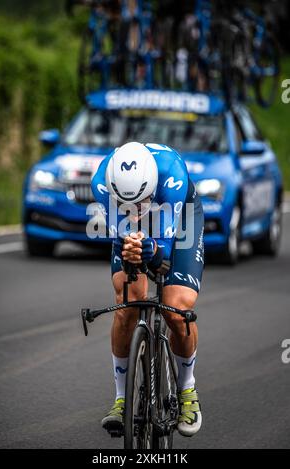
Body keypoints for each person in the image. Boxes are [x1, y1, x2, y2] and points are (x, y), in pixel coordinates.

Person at [91, 141, 204, 437]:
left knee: (178, 309)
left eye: (141, 203)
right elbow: (124, 238)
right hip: (130, 226)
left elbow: (162, 258)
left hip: (179, 219)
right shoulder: (101, 183)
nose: (136, 211)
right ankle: (121, 398)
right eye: (128, 205)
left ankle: (187, 390)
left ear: (151, 188)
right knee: (128, 303)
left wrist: (150, 250)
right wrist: (131, 246)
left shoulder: (172, 174)